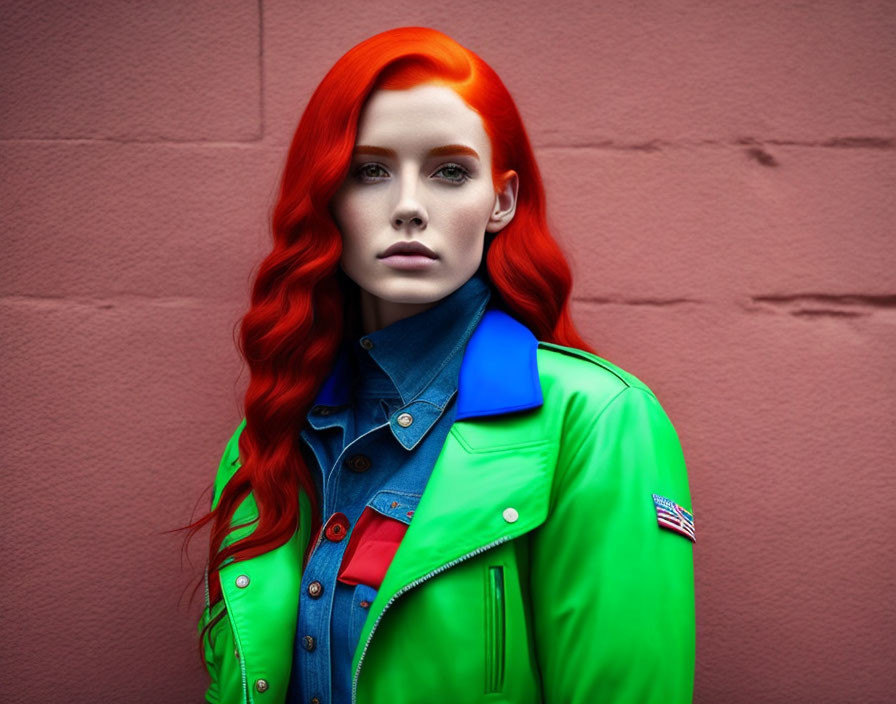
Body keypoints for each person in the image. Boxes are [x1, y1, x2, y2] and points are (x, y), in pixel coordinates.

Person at [185, 26, 695, 704]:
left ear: (501, 202)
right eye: (369, 171)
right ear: (327, 197)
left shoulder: (595, 419)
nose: (408, 208)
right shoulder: (272, 436)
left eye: (449, 172)